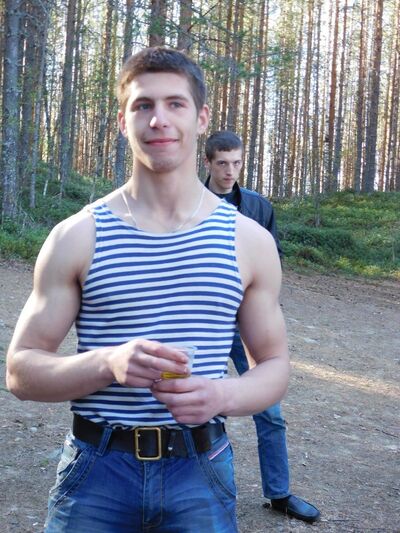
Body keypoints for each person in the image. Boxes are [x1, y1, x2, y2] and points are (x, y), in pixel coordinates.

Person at [6, 47, 290, 532]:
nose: (159, 119)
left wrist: (222, 394)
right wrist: (107, 363)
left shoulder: (249, 241)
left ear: (201, 119)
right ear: (124, 121)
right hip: (96, 471)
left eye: (175, 104)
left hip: (201, 470)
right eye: (143, 105)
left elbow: (275, 366)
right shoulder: (78, 235)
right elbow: (21, 372)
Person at [204, 130, 320, 524]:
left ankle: (279, 493)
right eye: (222, 163)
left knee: (269, 411)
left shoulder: (258, 207)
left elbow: (273, 262)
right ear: (208, 163)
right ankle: (197, 489)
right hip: (204, 322)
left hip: (248, 326)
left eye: (236, 163)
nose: (230, 171)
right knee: (197, 407)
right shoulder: (188, 202)